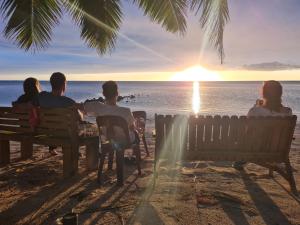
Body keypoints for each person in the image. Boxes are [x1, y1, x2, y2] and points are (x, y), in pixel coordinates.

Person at [233, 80, 292, 170]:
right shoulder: (288, 112)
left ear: (264, 93)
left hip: (257, 149)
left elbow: (247, 130)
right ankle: (241, 160)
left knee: (245, 137)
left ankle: (241, 160)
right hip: (278, 151)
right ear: (280, 93)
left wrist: (257, 106)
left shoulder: (255, 111)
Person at [83, 81, 139, 145]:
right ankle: (136, 153)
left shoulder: (97, 107)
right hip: (125, 141)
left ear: (103, 93)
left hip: (107, 140)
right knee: (136, 133)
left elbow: (83, 107)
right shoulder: (126, 111)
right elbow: (132, 128)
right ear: (117, 93)